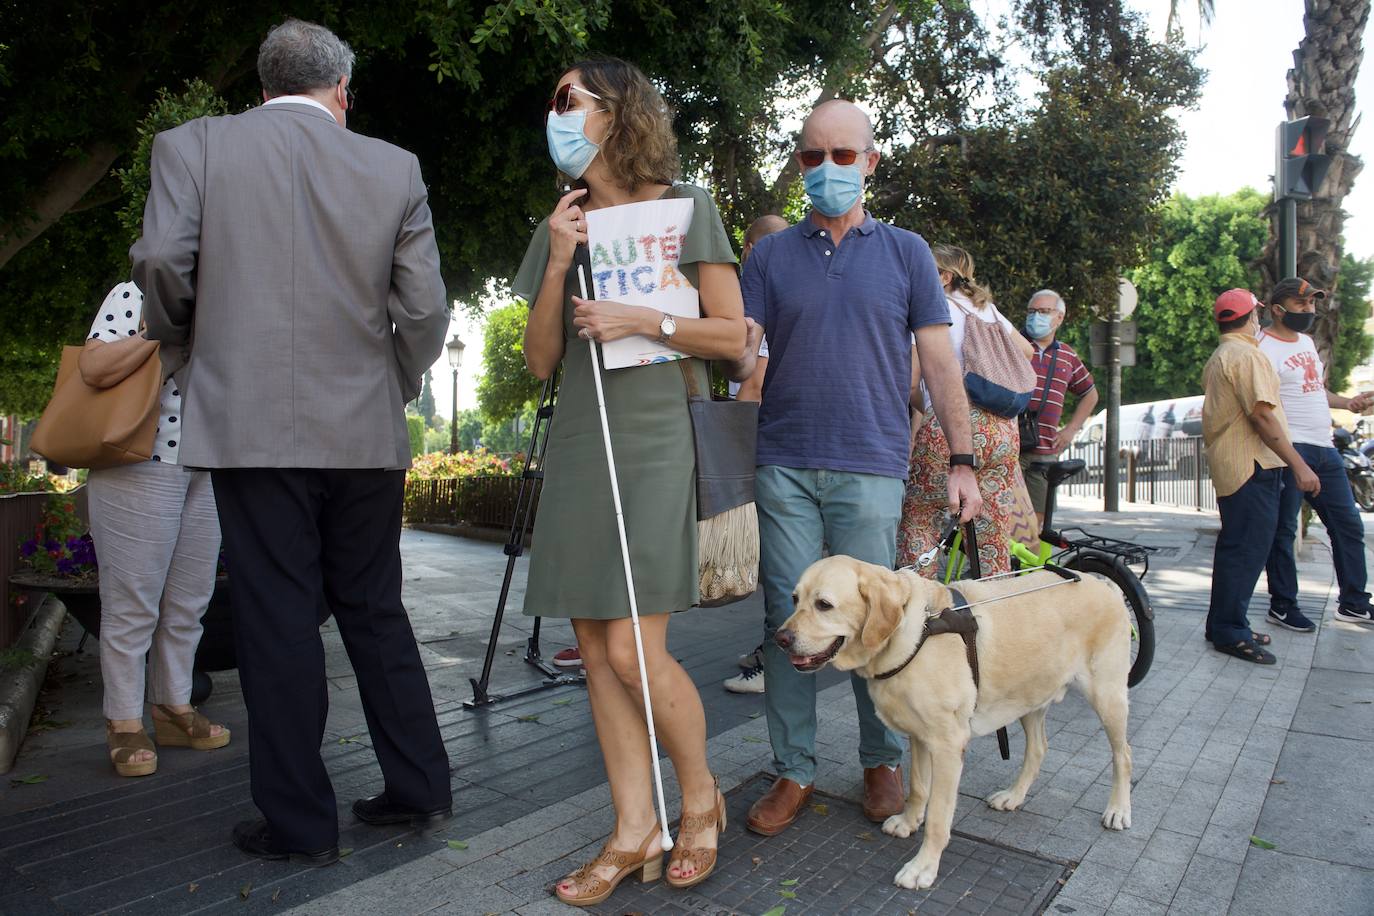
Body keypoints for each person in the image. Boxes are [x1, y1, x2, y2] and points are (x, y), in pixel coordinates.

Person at [134, 19, 453, 865]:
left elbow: (162, 261)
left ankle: (300, 826)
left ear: (262, 84)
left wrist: (184, 344)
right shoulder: (395, 167)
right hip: (364, 429)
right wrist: (397, 379)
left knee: (279, 619)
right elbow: (424, 312)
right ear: (341, 92)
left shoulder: (192, 147)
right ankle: (419, 783)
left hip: (248, 426)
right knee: (375, 609)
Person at [515, 57, 746, 905]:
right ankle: (631, 829)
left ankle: (700, 801)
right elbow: (542, 359)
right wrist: (557, 262)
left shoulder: (688, 209)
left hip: (654, 440)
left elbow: (734, 338)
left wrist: (643, 318)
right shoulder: (561, 222)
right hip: (581, 440)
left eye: (568, 98)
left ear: (617, 112)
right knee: (598, 661)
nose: (557, 112)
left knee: (631, 649)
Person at [731, 99, 982, 839]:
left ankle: (880, 760)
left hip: (873, 463)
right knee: (790, 618)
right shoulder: (769, 257)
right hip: (782, 462)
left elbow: (940, 361)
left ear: (871, 162)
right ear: (800, 164)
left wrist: (962, 461)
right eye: (813, 156)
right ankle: (795, 767)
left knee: (878, 619)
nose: (828, 169)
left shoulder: (907, 252)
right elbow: (746, 355)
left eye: (845, 156)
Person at [80, 281, 229, 778]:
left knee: (190, 602)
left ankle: (173, 709)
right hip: (139, 458)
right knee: (132, 604)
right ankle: (122, 722)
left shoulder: (236, 293)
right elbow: (94, 366)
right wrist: (160, 332)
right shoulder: (137, 293)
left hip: (209, 463)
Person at [897, 244, 1038, 576]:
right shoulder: (986, 309)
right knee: (991, 538)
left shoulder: (933, 307)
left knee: (921, 516)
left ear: (944, 277)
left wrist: (928, 404)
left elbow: (909, 380)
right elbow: (1027, 351)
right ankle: (995, 611)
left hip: (950, 432)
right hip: (1002, 432)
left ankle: (922, 611)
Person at [1201, 289, 1321, 664]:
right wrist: (1300, 465)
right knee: (1245, 551)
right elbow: (1263, 416)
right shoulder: (1247, 355)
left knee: (1239, 549)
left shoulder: (1223, 353)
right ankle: (1229, 632)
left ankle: (1227, 623)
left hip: (1240, 468)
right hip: (1252, 466)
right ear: (1251, 317)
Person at [1259, 277, 1374, 629]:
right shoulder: (1261, 348)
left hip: (1325, 448)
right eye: (1301, 304)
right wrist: (1291, 457)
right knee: (1284, 530)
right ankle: (1282, 604)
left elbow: (1315, 390)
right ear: (1277, 310)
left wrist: (1348, 403)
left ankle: (1353, 602)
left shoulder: (1306, 342)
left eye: (1312, 304)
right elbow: (1260, 407)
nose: (1309, 310)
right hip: (1290, 448)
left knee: (1348, 525)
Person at [722, 214, 788, 697]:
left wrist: (729, 454)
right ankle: (771, 649)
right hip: (777, 447)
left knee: (777, 566)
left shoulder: (760, 303)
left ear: (749, 250)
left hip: (760, 447)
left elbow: (753, 385)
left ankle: (774, 658)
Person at [1019, 288, 1099, 527]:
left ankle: (1029, 563)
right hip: (1010, 445)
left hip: (1044, 449)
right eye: (1032, 311)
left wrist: (1071, 429)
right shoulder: (1015, 344)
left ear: (1059, 317)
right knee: (1006, 516)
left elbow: (1090, 394)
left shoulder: (1066, 355)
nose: (1036, 317)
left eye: (1044, 311)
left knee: (1040, 518)